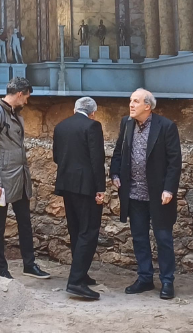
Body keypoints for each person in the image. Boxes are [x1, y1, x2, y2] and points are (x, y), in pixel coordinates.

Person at [109, 88, 183, 300]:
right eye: (130, 100)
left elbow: (174, 162)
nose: (131, 105)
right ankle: (145, 278)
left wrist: (169, 188)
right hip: (134, 193)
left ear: (147, 106)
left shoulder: (166, 126)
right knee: (139, 238)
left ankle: (167, 280)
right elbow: (118, 152)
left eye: (136, 101)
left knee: (163, 238)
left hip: (159, 194)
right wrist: (115, 173)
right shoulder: (127, 123)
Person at [0, 76, 49, 280]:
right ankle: (2, 269)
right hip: (1, 183)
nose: (27, 101)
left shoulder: (15, 114)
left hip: (20, 179)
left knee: (25, 222)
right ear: (20, 94)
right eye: (26, 97)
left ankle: (29, 264)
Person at [53, 97, 106, 300]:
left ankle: (80, 273)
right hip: (86, 186)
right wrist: (100, 188)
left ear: (74, 109)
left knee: (76, 230)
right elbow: (97, 159)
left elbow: (56, 157)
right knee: (89, 231)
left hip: (67, 185)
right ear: (92, 112)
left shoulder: (61, 126)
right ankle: (75, 281)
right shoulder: (93, 126)